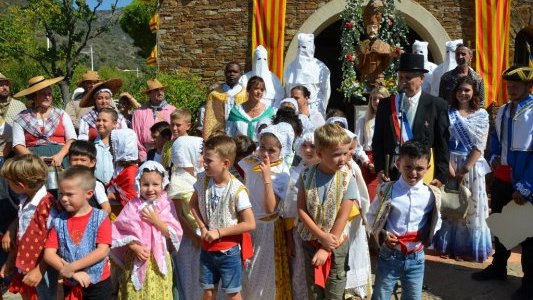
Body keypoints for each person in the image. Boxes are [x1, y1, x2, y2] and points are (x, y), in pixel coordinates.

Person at [471, 66, 533, 300]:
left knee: (527, 237)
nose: (511, 89)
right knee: (502, 227)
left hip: (524, 182)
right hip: (502, 178)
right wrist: (494, 155)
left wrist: (526, 186)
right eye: (509, 85)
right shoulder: (504, 110)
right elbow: (495, 137)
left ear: (529, 87)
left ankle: (529, 284)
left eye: (516, 85)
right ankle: (499, 268)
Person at [368, 140, 442, 300]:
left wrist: (427, 234)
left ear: (428, 168)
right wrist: (383, 234)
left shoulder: (431, 195)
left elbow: (438, 220)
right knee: (380, 296)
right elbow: (370, 217)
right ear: (398, 163)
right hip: (390, 255)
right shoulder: (386, 190)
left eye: (419, 168)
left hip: (416, 257)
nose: (413, 172)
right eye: (408, 167)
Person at [189, 135, 256, 300]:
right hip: (208, 247)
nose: (204, 163)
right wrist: (203, 227)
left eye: (209, 160)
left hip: (228, 250)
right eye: (204, 158)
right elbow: (193, 204)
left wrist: (219, 232)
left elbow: (250, 223)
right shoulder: (203, 180)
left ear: (225, 163)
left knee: (233, 292)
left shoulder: (237, 190)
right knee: (208, 291)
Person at [433, 77, 492, 262]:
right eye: (460, 90)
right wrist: (448, 166)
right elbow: (441, 139)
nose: (463, 93)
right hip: (449, 162)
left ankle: (466, 247)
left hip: (471, 165)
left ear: (474, 92)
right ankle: (448, 244)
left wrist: (465, 168)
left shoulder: (481, 115)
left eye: (467, 90)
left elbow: (480, 145)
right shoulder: (448, 112)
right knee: (450, 203)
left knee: (470, 204)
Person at [296, 124, 356, 299]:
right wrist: (320, 237)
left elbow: (343, 216)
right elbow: (301, 209)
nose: (342, 159)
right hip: (311, 242)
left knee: (334, 292)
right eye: (336, 154)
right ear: (320, 154)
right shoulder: (306, 175)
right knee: (314, 291)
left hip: (336, 246)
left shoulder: (347, 178)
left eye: (345, 153)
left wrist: (326, 247)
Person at [372, 53, 450, 187]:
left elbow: (442, 144)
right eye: (401, 77)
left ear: (421, 79)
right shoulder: (386, 105)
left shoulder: (437, 105)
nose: (403, 82)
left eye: (408, 78)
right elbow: (378, 140)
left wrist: (441, 175)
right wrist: (379, 169)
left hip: (423, 174)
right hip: (393, 173)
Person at [112, 161, 183, 299]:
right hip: (136, 257)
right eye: (145, 185)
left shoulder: (166, 204)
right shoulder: (133, 205)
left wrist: (156, 221)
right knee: (135, 291)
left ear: (163, 184)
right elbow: (119, 232)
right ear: (138, 184)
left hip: (159, 257)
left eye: (155, 184)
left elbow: (173, 233)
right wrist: (134, 247)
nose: (150, 189)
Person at [239, 123, 293, 299]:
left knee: (263, 278)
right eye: (262, 147)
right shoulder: (250, 163)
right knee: (248, 274)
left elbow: (271, 208)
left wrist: (267, 177)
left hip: (267, 230)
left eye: (272, 151)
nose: (265, 154)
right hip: (248, 224)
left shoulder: (281, 172)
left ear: (281, 151)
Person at [43, 165, 112, 299]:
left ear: (89, 194)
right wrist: (73, 273)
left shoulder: (100, 218)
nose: (63, 198)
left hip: (99, 284)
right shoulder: (59, 221)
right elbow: (49, 254)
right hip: (71, 284)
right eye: (61, 193)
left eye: (69, 194)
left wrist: (72, 266)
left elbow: (102, 250)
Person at [0, 154, 59, 300]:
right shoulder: (25, 200)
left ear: (20, 185)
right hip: (26, 263)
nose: (7, 185)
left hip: (42, 268)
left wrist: (40, 270)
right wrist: (10, 260)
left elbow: (54, 240)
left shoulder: (48, 205)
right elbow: (22, 229)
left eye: (9, 182)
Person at [283, 130, 319, 299]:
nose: (308, 150)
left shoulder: (324, 171)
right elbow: (289, 208)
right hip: (299, 230)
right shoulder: (295, 172)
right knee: (299, 270)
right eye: (304, 146)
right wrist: (289, 237)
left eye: (312, 146)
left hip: (320, 231)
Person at [12, 75, 76, 167]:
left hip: (61, 160)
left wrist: (60, 156)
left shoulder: (61, 114)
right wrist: (36, 160)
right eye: (43, 94)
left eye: (49, 94)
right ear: (34, 96)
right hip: (32, 162)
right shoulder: (21, 118)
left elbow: (72, 140)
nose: (47, 97)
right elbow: (18, 145)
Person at [355, 86, 390, 201]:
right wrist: (366, 161)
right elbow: (357, 145)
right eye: (373, 99)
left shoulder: (391, 119)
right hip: (369, 160)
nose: (376, 102)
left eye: (380, 98)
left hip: (387, 161)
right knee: (369, 196)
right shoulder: (363, 120)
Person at [356, 0, 401, 86]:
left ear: (378, 28)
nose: (372, 30)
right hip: (365, 79)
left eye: (374, 27)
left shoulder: (385, 46)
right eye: (369, 27)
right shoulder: (361, 45)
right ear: (366, 29)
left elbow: (387, 65)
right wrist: (363, 53)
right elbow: (358, 66)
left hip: (379, 79)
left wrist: (391, 55)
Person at [284, 33, 331, 117]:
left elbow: (326, 91)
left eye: (304, 47)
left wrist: (323, 108)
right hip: (294, 109)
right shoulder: (290, 67)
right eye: (299, 47)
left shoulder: (321, 67)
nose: (301, 50)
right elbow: (287, 89)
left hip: (315, 108)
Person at [132, 79, 176, 162]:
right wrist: (144, 158)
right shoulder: (139, 113)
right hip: (146, 155)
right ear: (149, 94)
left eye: (161, 89)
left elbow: (176, 134)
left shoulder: (172, 111)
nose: (160, 93)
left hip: (169, 154)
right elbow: (136, 138)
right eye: (156, 90)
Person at [203, 62, 247, 139]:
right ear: (225, 73)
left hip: (240, 134)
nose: (232, 74)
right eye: (229, 72)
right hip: (220, 134)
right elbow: (209, 119)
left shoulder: (246, 94)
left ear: (241, 73)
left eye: (235, 72)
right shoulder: (215, 95)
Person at [226, 76, 275, 141]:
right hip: (239, 149)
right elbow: (229, 135)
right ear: (248, 89)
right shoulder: (236, 111)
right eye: (256, 88)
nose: (259, 92)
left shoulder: (269, 112)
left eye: (262, 90)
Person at [68, 140, 111, 213]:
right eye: (75, 159)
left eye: (83, 160)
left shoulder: (95, 184)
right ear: (69, 161)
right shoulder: (67, 183)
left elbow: (107, 209)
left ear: (92, 163)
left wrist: (94, 221)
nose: (78, 163)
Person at [106, 128, 139, 214]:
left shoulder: (130, 173)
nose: (109, 150)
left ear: (121, 148)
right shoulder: (119, 167)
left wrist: (113, 196)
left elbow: (132, 201)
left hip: (125, 215)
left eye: (112, 147)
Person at [93, 108, 118, 185]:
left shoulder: (119, 145)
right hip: (97, 187)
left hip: (116, 188)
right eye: (98, 120)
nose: (100, 123)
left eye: (104, 120)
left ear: (114, 124)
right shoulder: (91, 145)